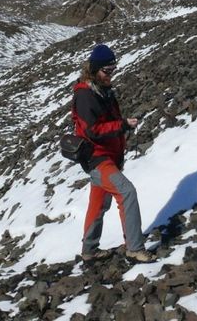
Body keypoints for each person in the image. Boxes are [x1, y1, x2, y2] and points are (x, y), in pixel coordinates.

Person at [72, 44, 155, 263]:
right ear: (95, 69)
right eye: (106, 71)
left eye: (113, 70)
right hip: (97, 158)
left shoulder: (103, 91)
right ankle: (135, 248)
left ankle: (89, 251)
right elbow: (93, 130)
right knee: (127, 192)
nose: (110, 75)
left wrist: (121, 131)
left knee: (98, 204)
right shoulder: (85, 95)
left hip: (108, 156)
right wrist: (123, 125)